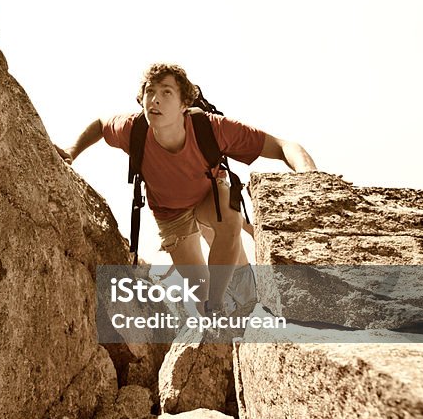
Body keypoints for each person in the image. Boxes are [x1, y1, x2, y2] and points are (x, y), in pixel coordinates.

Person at [58, 62, 318, 315]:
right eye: (150, 91)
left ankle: (224, 303)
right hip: (170, 214)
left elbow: (284, 146)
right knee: (200, 294)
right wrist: (72, 151)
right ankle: (212, 311)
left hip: (208, 198)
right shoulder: (133, 129)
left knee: (230, 221)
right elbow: (101, 126)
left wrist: (311, 179)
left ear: (185, 104)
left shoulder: (212, 127)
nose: (155, 100)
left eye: (166, 92)